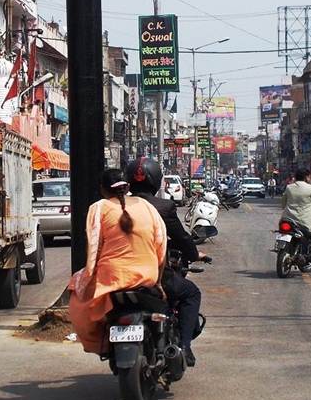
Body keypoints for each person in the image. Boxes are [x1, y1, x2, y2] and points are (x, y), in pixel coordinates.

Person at [67, 168, 167, 355]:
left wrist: (88, 276)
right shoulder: (147, 207)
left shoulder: (98, 208)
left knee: (76, 299)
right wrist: (159, 282)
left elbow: (93, 249)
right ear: (128, 187)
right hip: (148, 276)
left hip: (111, 278)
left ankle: (99, 345)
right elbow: (161, 247)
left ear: (103, 189)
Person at [127, 157, 207, 366]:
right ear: (155, 181)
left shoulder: (116, 206)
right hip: (154, 274)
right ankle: (185, 346)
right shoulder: (162, 207)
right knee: (191, 293)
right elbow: (181, 237)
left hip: (119, 274)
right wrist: (193, 254)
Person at [281, 168, 311, 255]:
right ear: (306, 177)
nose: (310, 179)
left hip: (287, 219)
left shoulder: (289, 187)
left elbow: (283, 203)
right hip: (304, 222)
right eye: (309, 177)